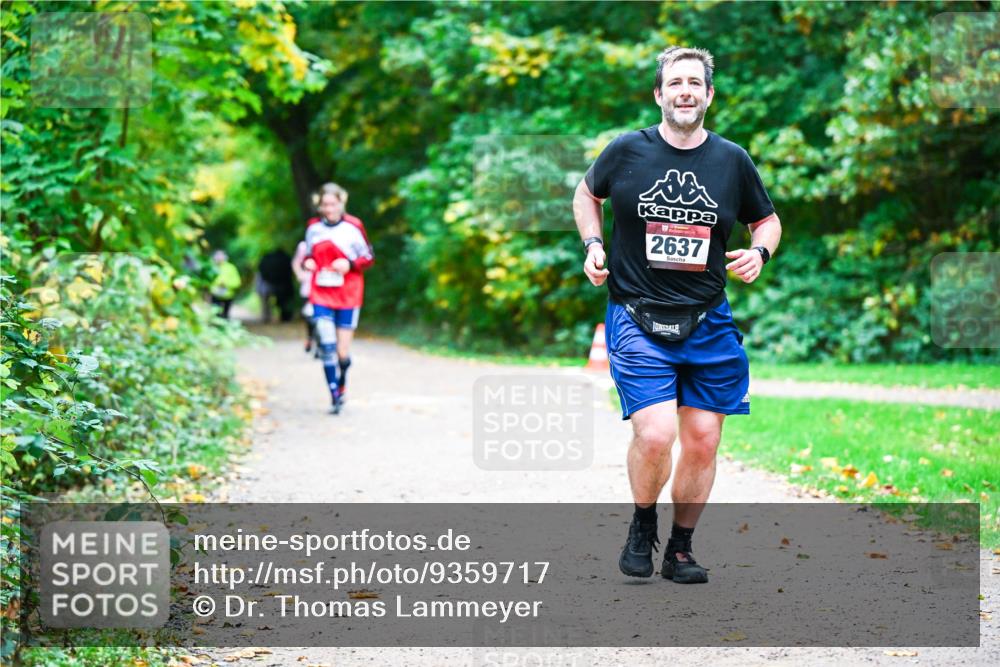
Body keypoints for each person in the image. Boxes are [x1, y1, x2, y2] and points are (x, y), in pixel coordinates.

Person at [573, 46, 782, 583]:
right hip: (636, 312)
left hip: (707, 318)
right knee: (657, 432)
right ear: (659, 94)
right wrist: (593, 245)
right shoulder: (626, 151)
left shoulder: (732, 160)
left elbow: (768, 221)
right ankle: (643, 526)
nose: (685, 90)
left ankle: (681, 549)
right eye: (675, 82)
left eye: (695, 82)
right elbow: (585, 194)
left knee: (705, 438)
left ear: (709, 95)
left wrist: (759, 253)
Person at [302, 182, 374, 414]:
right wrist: (308, 262)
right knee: (326, 343)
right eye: (325, 205)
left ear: (342, 203)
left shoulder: (354, 226)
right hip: (321, 292)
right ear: (319, 206)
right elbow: (308, 256)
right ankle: (334, 395)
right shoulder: (313, 228)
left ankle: (342, 383)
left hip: (348, 293)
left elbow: (369, 257)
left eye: (333, 204)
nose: (329, 209)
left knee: (342, 352)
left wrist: (350, 264)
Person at [256, 248, 295, 323]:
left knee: (265, 301)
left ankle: (266, 317)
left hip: (267, 283)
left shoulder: (267, 259)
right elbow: (289, 271)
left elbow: (260, 270)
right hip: (283, 283)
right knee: (284, 301)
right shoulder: (285, 258)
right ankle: (285, 317)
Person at [209, 249, 241, 319]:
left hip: (228, 296)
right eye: (217, 255)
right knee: (215, 315)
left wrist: (226, 284)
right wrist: (217, 284)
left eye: (221, 255)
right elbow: (208, 281)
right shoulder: (211, 267)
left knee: (225, 316)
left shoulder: (231, 268)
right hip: (215, 295)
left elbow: (237, 282)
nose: (219, 258)